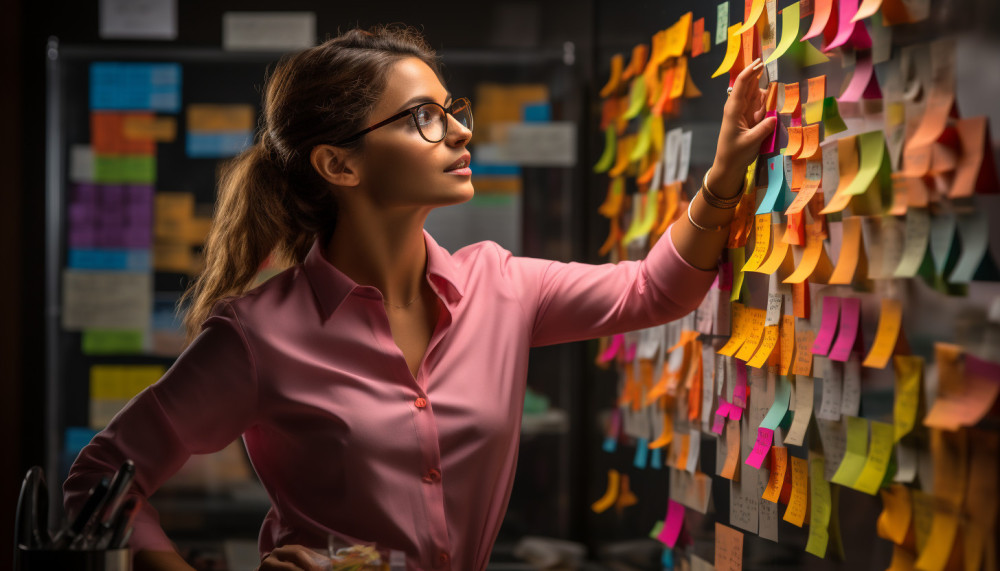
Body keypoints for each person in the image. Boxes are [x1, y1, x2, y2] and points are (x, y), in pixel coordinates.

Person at [63, 24, 774, 571]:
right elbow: (99, 479)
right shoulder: (258, 335)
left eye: (451, 108)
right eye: (422, 116)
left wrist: (721, 178)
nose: (461, 129)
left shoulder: (500, 284)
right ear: (339, 163)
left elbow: (655, 290)